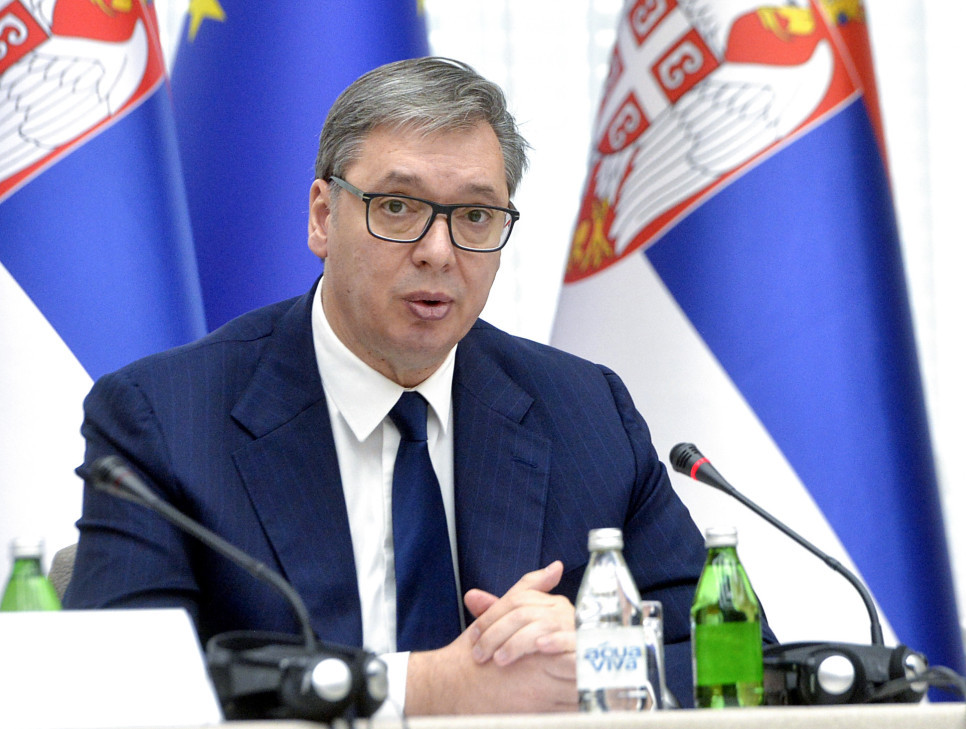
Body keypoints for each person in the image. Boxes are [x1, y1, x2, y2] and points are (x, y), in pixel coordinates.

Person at [63, 57, 763, 714]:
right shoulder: (165, 419)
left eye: (475, 216)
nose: (438, 251)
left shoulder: (585, 414)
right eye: (397, 206)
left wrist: (592, 661)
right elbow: (115, 685)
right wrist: (429, 686)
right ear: (322, 217)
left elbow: (737, 657)